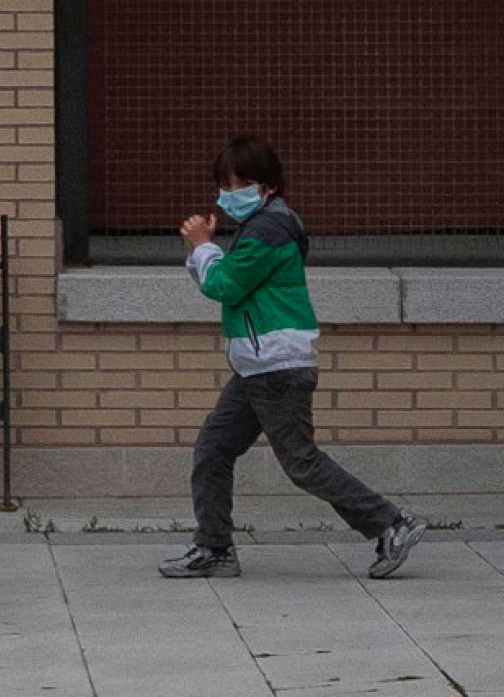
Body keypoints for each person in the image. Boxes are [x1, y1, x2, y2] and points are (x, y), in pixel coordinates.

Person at [160, 135, 428, 579]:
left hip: (275, 368)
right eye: (227, 184)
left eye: (241, 183)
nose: (231, 194)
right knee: (213, 448)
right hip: (259, 368)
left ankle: (391, 524)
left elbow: (225, 285)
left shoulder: (268, 229)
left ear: (267, 186)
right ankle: (214, 549)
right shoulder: (266, 225)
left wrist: (201, 246)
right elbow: (231, 280)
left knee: (301, 462)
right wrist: (208, 253)